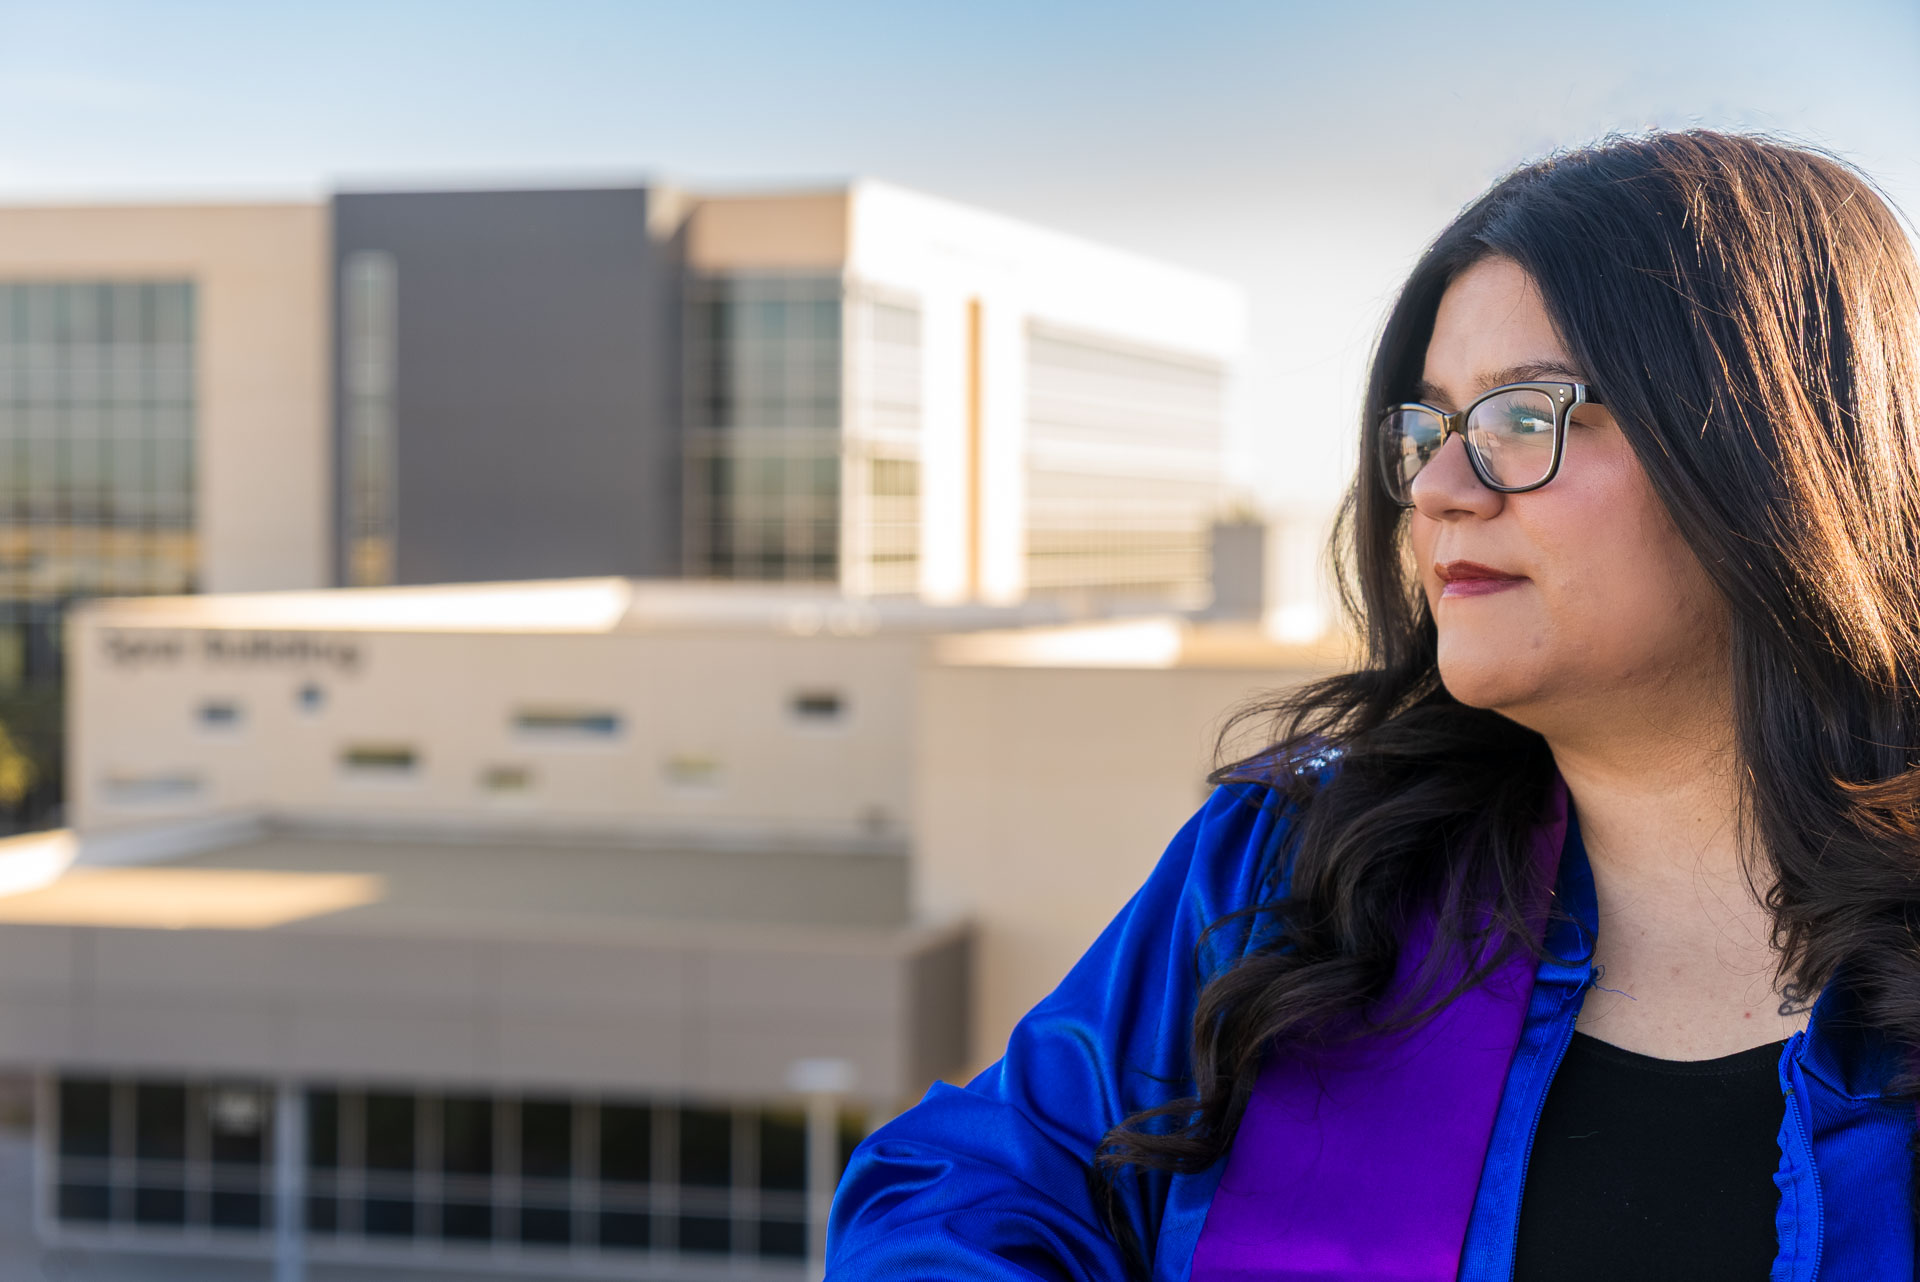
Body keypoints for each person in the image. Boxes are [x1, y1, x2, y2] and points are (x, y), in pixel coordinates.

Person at [825, 131, 1920, 1281]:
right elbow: (964, 1185)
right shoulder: (1297, 873)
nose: (1442, 491)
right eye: (1429, 431)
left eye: (1520, 419)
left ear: (1775, 445)